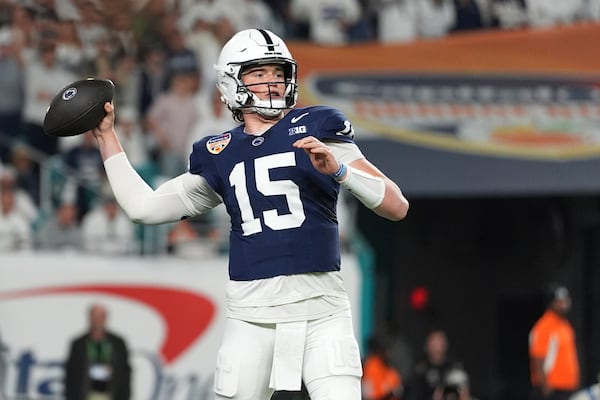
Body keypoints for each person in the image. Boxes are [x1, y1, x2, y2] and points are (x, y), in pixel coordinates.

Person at [91, 28, 409, 400]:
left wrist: (339, 170)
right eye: (258, 74)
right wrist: (105, 135)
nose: (272, 83)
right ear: (230, 82)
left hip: (322, 310)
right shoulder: (218, 152)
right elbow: (143, 208)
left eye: (277, 73)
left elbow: (396, 205)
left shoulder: (318, 127)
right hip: (251, 315)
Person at [64, 303, 131, 400]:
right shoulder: (78, 344)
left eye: (100, 316)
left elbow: (125, 373)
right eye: (95, 316)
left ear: (105, 318)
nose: (97, 320)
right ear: (90, 318)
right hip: (85, 395)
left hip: (110, 394)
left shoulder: (118, 344)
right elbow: (70, 374)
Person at [529, 285, 580, 400]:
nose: (564, 304)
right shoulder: (544, 326)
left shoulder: (565, 325)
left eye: (565, 300)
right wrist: (545, 387)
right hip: (553, 388)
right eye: (559, 301)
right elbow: (538, 357)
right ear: (551, 303)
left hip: (567, 386)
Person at [408, 329, 463, 400]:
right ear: (426, 345)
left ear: (445, 344)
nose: (435, 346)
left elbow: (463, 393)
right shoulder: (420, 370)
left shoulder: (454, 368)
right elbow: (413, 395)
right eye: (433, 342)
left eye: (438, 342)